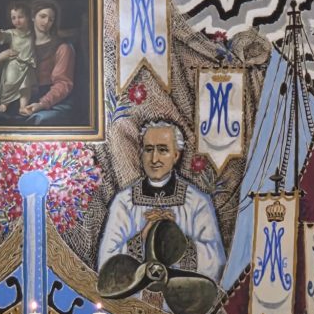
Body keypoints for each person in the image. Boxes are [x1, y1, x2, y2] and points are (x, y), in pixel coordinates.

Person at [97, 120, 226, 284]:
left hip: (181, 294)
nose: (154, 159)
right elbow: (105, 264)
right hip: (134, 296)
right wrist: (143, 238)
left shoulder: (197, 201)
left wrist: (174, 240)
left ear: (176, 155)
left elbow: (216, 262)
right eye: (148, 149)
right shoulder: (124, 201)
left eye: (163, 150)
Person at [0, 0, 74, 126]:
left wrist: (42, 104)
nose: (46, 22)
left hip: (48, 100)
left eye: (51, 19)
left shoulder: (62, 48)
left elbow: (63, 84)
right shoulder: (21, 41)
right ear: (32, 17)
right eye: (43, 16)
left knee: (41, 120)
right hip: (17, 97)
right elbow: (1, 75)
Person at [0, 3, 35, 114]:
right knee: (9, 82)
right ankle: (5, 101)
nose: (17, 21)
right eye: (13, 18)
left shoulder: (33, 33)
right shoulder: (12, 33)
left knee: (26, 87)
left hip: (27, 65)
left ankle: (23, 107)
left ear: (28, 17)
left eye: (20, 17)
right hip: (14, 64)